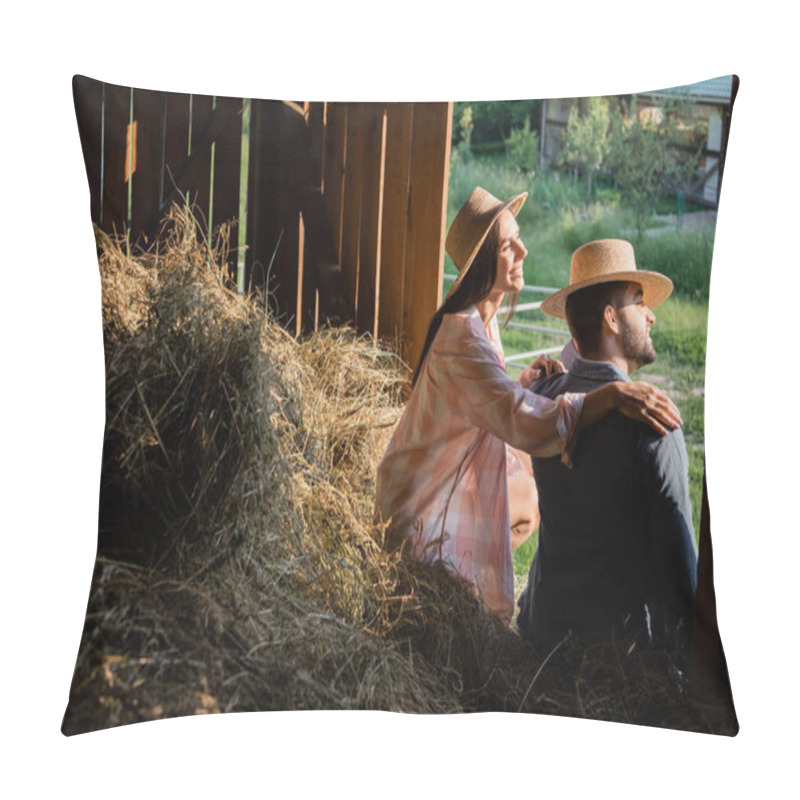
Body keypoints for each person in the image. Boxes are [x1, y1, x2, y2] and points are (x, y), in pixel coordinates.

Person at [375, 190, 682, 625]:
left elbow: (486, 400)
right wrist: (611, 395)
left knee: (529, 503)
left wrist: (520, 383)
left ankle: (465, 585)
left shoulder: (481, 321)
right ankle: (449, 584)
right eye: (507, 245)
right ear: (483, 263)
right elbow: (521, 422)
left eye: (518, 238)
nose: (523, 250)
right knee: (525, 499)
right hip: (419, 506)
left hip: (437, 479)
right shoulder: (461, 336)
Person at [516, 238, 698, 665]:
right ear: (612, 319)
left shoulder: (544, 401)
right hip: (620, 661)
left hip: (544, 640)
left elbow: (576, 359)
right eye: (639, 302)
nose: (652, 314)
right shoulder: (653, 424)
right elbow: (681, 576)